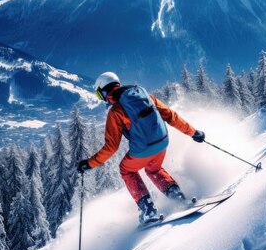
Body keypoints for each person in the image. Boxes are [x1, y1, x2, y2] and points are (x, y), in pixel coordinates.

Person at [78, 71, 205, 224]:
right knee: (154, 169)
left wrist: (89, 163)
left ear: (104, 90)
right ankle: (177, 196)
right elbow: (171, 116)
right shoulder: (145, 96)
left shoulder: (116, 111)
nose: (102, 99)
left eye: (100, 95)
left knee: (126, 169)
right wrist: (193, 132)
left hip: (142, 149)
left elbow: (111, 147)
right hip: (162, 142)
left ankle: (148, 210)